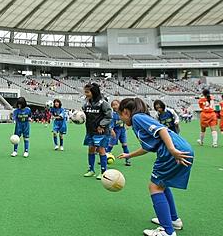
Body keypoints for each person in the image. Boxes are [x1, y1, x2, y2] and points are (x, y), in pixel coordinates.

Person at [117, 98, 193, 236]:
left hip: (171, 151)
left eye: (120, 115)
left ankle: (167, 231)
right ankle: (173, 219)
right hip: (180, 148)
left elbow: (162, 130)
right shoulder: (140, 120)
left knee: (154, 187)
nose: (121, 119)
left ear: (126, 112)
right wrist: (129, 155)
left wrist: (171, 150)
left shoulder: (137, 118)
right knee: (161, 184)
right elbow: (147, 147)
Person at [82, 83, 112, 180]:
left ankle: (104, 172)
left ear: (94, 92)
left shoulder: (103, 103)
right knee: (91, 148)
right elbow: (83, 114)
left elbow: (109, 116)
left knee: (101, 150)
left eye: (87, 92)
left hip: (101, 132)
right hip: (90, 130)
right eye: (85, 92)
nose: (86, 94)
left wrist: (101, 125)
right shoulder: (86, 103)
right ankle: (91, 170)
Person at [107, 100, 131, 166]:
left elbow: (127, 119)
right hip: (115, 131)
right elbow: (110, 124)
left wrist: (126, 125)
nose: (114, 106)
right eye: (113, 105)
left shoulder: (123, 112)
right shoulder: (112, 115)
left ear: (119, 105)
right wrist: (112, 131)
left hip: (122, 131)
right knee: (110, 145)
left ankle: (128, 159)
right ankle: (104, 158)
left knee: (124, 145)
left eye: (116, 104)